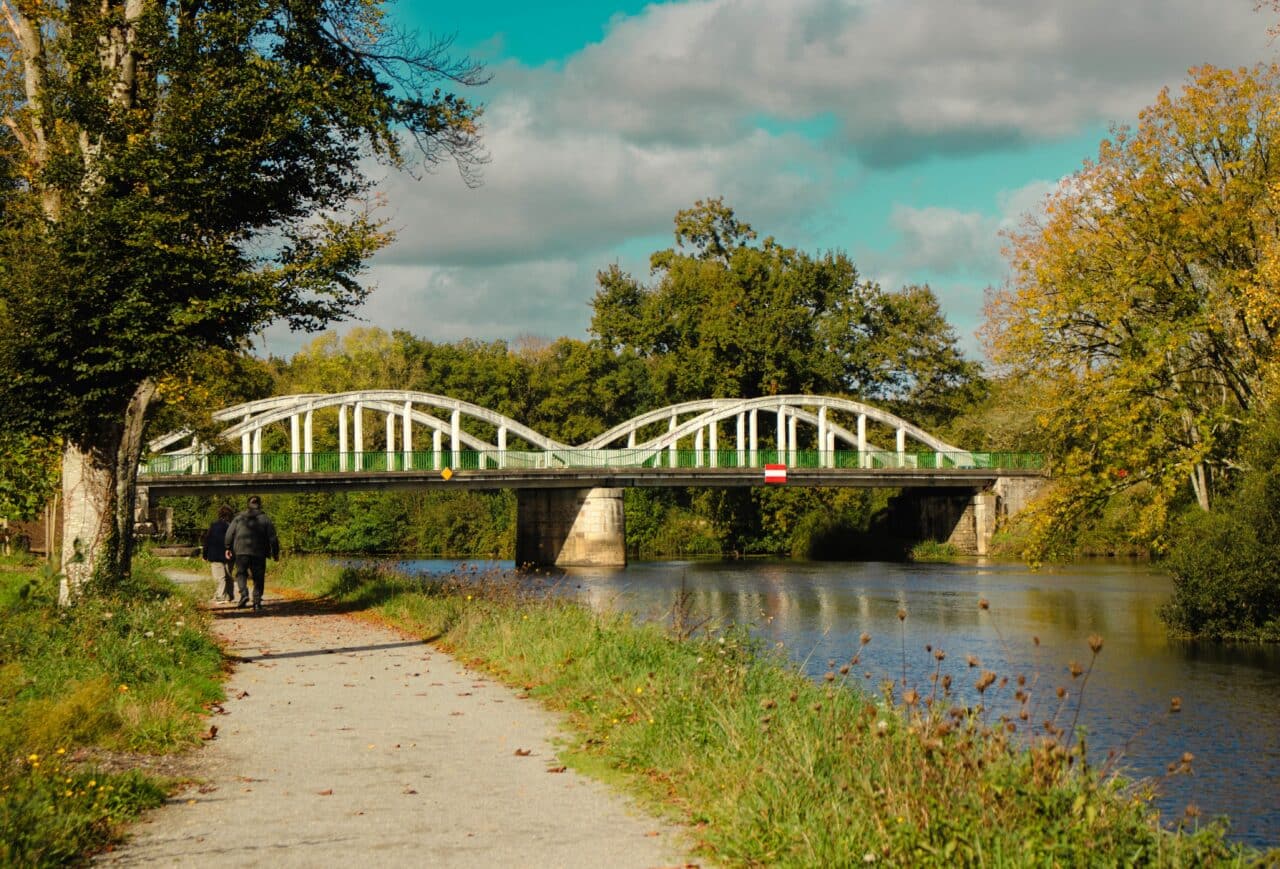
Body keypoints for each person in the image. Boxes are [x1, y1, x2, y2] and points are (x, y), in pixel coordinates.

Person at [224, 495, 280, 612]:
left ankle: (244, 594)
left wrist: (227, 547)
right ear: (259, 505)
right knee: (258, 577)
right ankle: (257, 602)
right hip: (259, 552)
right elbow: (273, 538)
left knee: (241, 574)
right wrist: (275, 553)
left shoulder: (239, 518)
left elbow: (229, 533)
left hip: (241, 551)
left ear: (247, 505)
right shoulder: (265, 518)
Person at [203, 505, 236, 602]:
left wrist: (204, 555)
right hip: (229, 555)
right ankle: (229, 596)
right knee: (228, 576)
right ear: (230, 515)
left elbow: (207, 540)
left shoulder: (213, 526)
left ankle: (220, 596)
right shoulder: (231, 527)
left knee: (219, 577)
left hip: (215, 555)